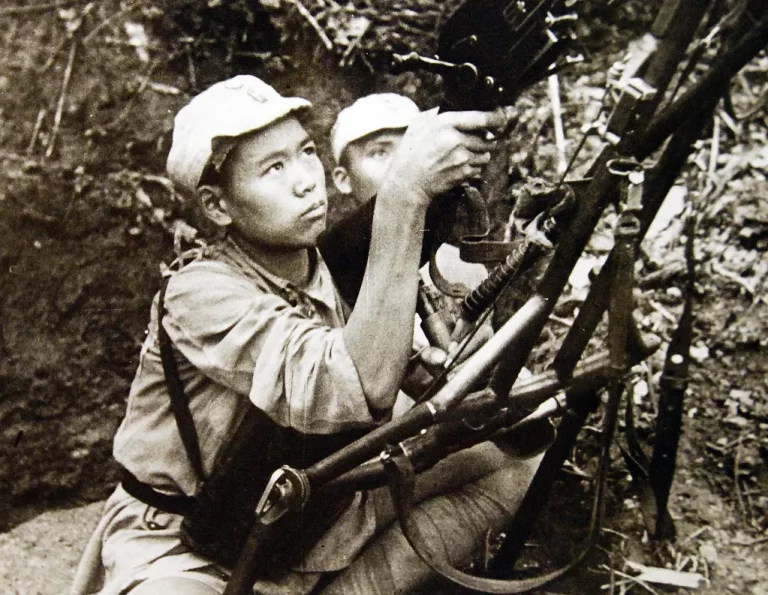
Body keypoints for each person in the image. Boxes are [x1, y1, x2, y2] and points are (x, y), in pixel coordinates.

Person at [71, 75, 541, 595]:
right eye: (273, 168)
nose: (305, 181)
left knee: (515, 461)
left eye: (307, 152)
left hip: (304, 511)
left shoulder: (321, 264)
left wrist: (436, 368)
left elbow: (392, 374)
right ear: (217, 205)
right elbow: (351, 387)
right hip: (184, 540)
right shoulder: (197, 290)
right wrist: (404, 194)